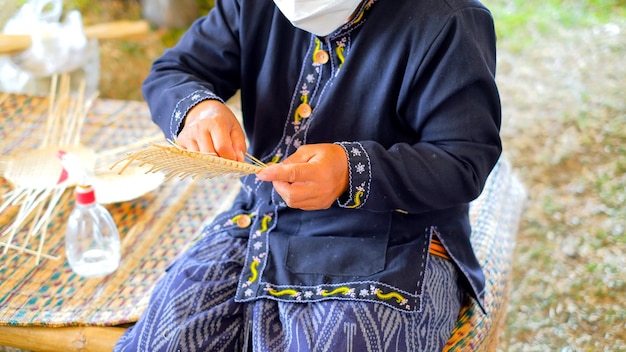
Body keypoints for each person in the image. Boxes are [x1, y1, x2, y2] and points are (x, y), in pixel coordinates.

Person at [114, 0, 501, 350]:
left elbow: (464, 160)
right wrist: (198, 109)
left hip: (391, 239)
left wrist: (351, 171)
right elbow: (175, 70)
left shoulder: (448, 19)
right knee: (164, 340)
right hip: (262, 220)